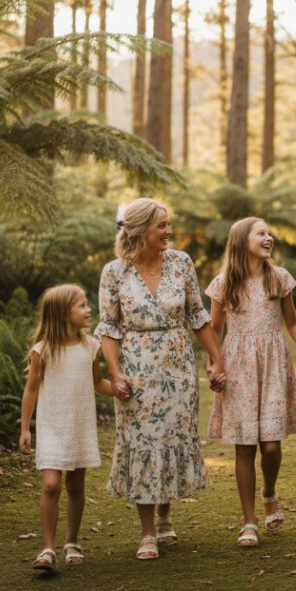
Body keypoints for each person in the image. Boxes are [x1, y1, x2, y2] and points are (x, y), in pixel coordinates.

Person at [95, 198, 226, 560]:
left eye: (169, 224)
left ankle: (165, 515)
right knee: (142, 443)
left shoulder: (181, 263)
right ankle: (147, 532)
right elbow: (108, 327)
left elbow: (197, 315)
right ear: (140, 230)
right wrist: (115, 373)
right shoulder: (114, 272)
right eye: (162, 225)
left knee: (170, 438)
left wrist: (217, 359)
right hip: (135, 369)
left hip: (177, 367)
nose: (170, 231)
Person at [206, 217, 296, 547]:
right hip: (238, 367)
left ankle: (269, 492)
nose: (268, 238)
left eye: (269, 233)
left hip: (273, 365)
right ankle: (249, 521)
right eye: (260, 233)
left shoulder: (279, 278)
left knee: (272, 445)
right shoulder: (224, 284)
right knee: (245, 446)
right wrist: (214, 365)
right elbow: (214, 330)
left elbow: (293, 323)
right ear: (241, 241)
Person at [19, 284, 121, 571]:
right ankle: (48, 548)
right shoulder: (43, 350)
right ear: (63, 313)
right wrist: (25, 428)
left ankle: (72, 542)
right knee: (51, 485)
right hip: (52, 426)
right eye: (82, 305)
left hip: (79, 425)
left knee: (75, 486)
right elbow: (31, 389)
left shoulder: (91, 347)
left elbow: (97, 383)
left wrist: (120, 388)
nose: (89, 310)